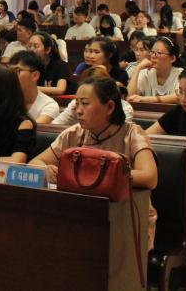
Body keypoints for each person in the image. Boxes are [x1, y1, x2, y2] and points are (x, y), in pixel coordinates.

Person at [29, 76, 158, 249]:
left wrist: (93, 175)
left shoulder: (132, 134)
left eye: (85, 103)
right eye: (76, 104)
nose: (78, 111)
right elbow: (36, 162)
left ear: (110, 107)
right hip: (81, 213)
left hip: (127, 218)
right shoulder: (74, 133)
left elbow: (150, 177)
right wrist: (47, 170)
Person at [53, 67, 136, 124]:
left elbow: (121, 135)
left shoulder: (124, 107)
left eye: (85, 103)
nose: (79, 111)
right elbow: (55, 125)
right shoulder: (76, 104)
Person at [127, 36, 182, 104]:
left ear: (172, 59)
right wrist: (137, 69)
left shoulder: (180, 74)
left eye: (159, 53)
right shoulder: (146, 73)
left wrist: (148, 99)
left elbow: (179, 97)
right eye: (152, 52)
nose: (153, 56)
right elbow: (130, 97)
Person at [9, 51, 59, 123]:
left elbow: (31, 129)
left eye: (17, 71)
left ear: (35, 75)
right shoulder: (4, 100)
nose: (11, 75)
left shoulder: (49, 105)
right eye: (10, 71)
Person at [28, 31, 71, 96]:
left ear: (48, 49)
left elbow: (60, 90)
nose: (31, 49)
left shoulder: (61, 65)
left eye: (36, 46)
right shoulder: (28, 67)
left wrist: (31, 88)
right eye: (29, 46)